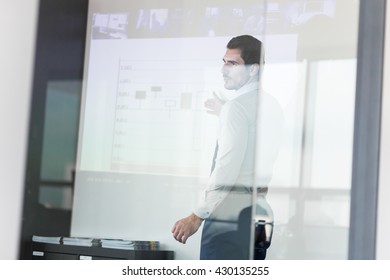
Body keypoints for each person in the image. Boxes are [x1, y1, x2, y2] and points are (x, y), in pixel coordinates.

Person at [171, 35, 284, 259]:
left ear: (253, 69)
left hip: (229, 219)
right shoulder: (272, 105)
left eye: (232, 63)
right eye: (223, 61)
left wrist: (196, 216)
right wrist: (227, 112)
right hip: (260, 215)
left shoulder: (236, 109)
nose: (223, 69)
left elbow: (227, 168)